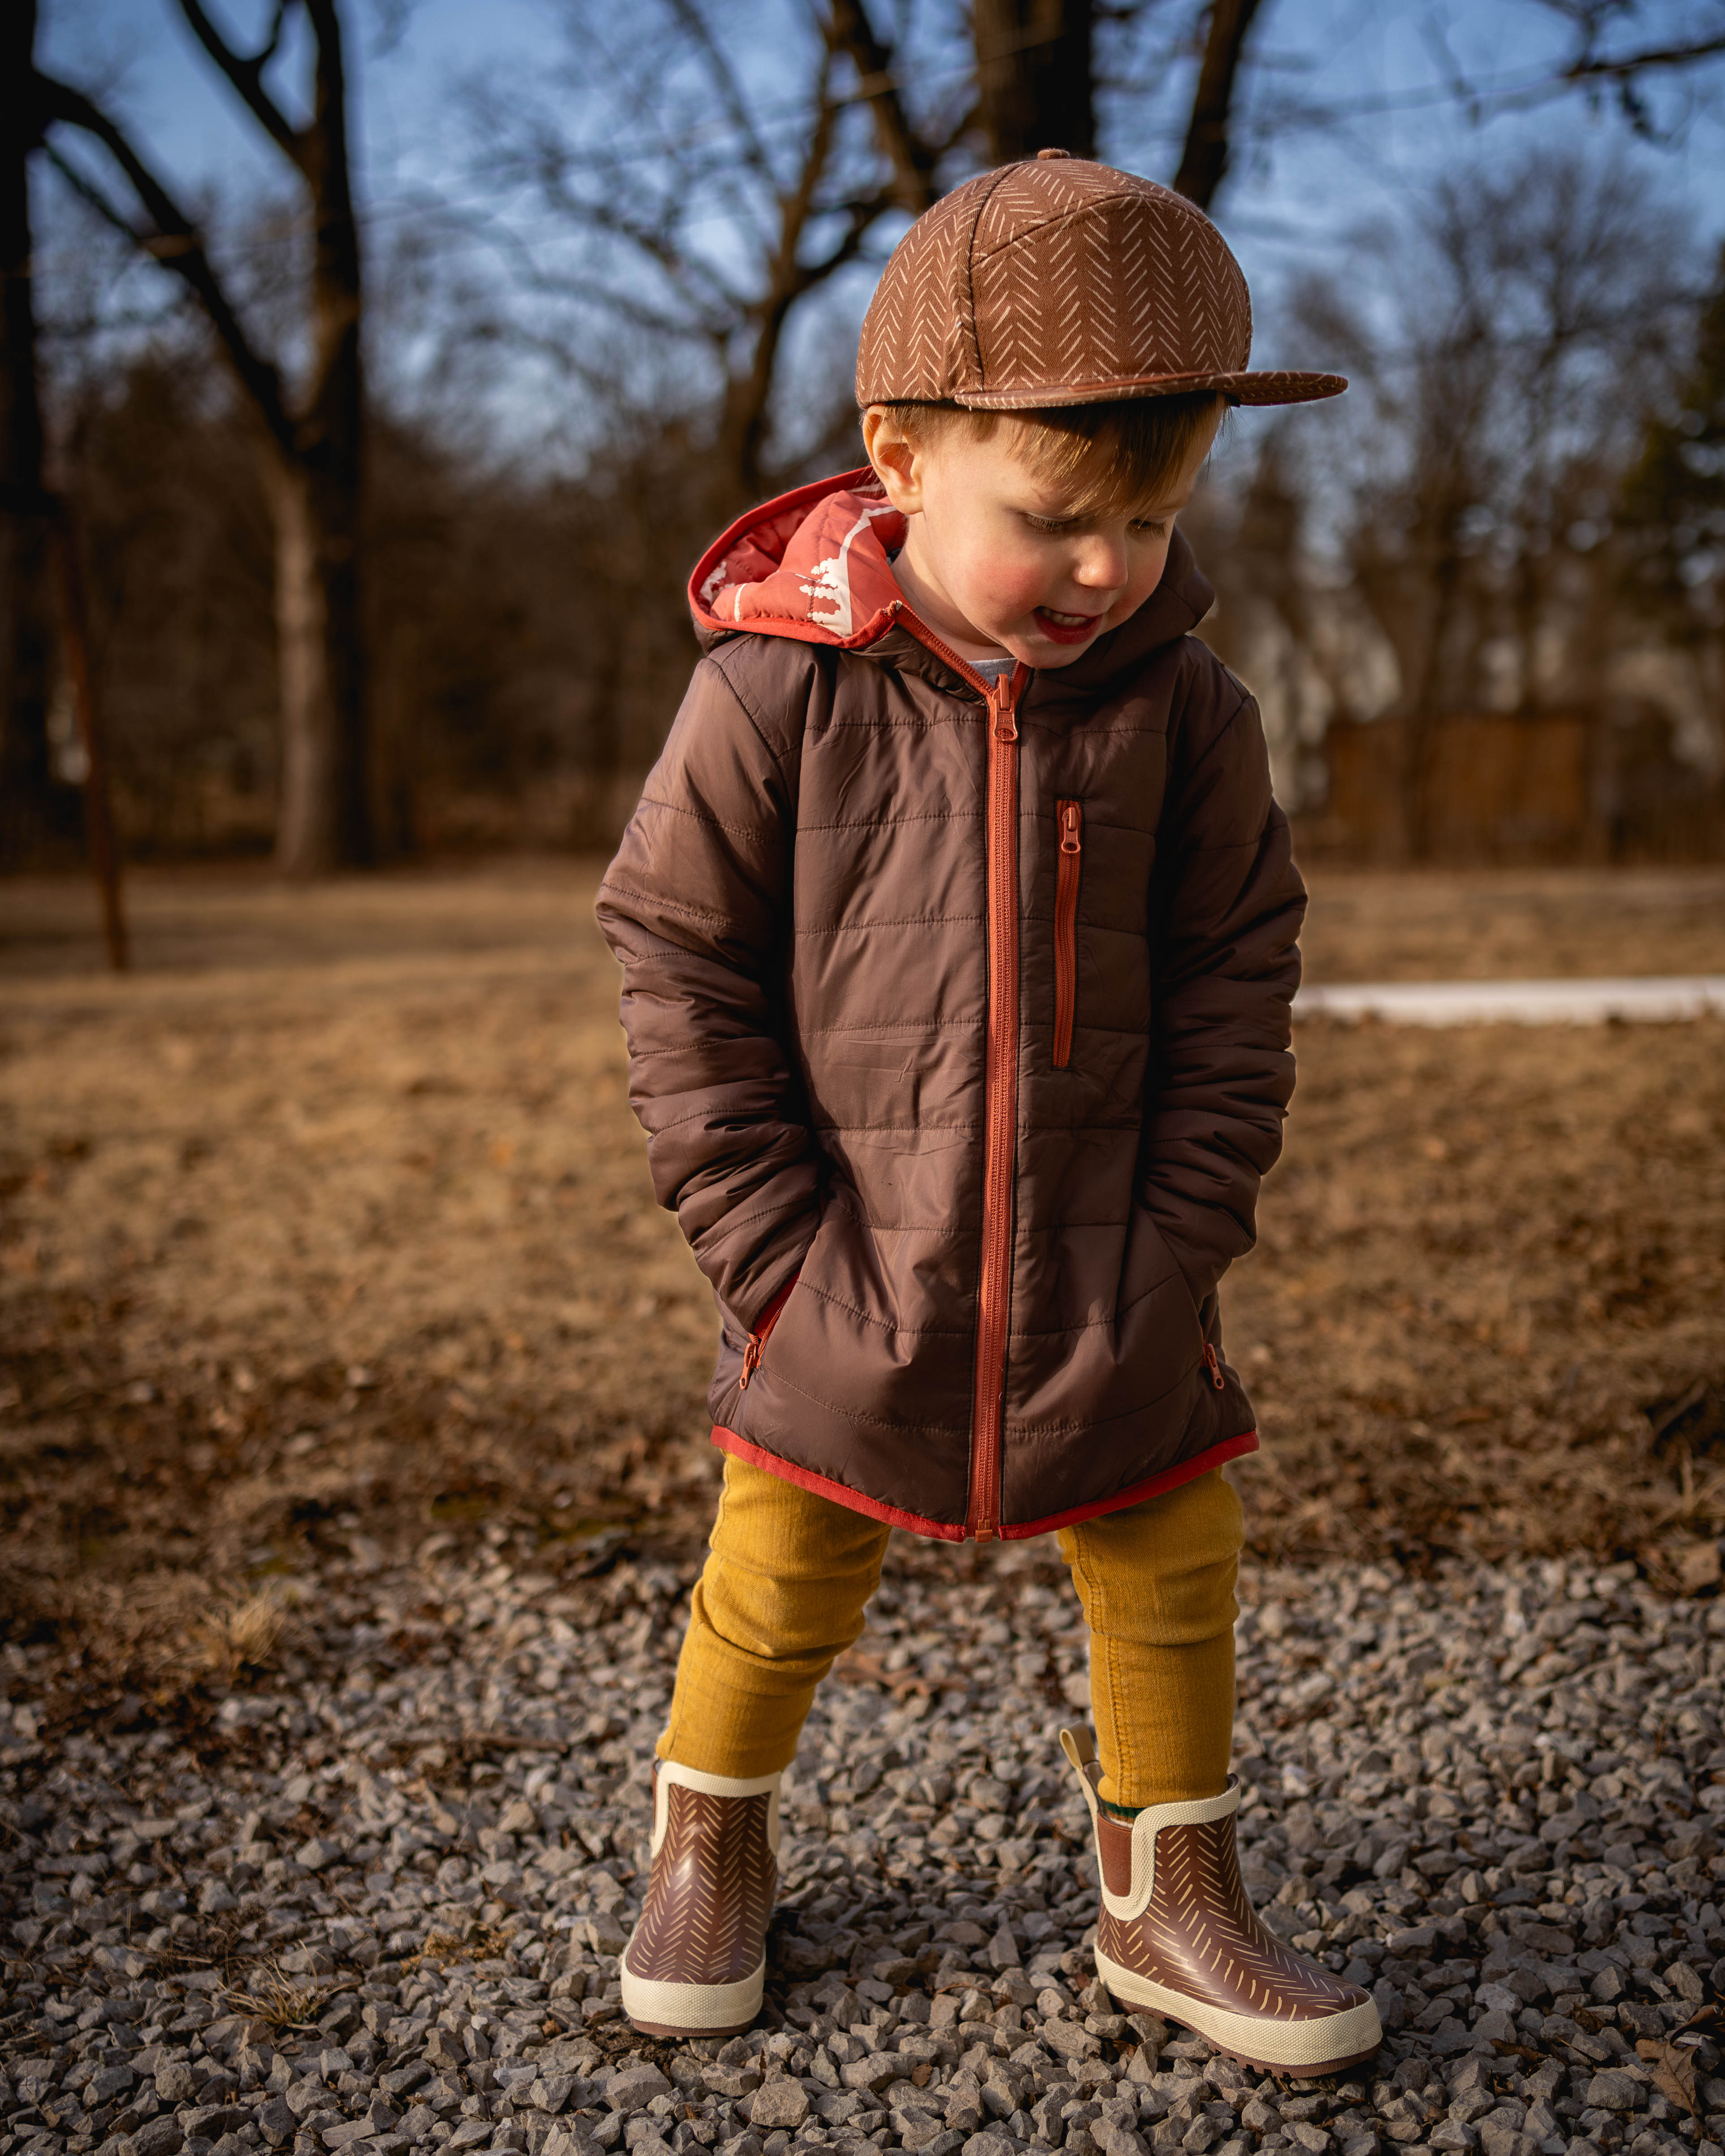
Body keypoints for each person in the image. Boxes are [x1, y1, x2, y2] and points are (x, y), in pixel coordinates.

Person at [595, 152, 1380, 2077]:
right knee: (773, 1576)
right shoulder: (770, 696)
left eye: (1154, 517)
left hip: (1114, 1264)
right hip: (845, 1275)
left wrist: (1181, 1231)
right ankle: (710, 1835)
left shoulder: (1184, 711)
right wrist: (774, 1258)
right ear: (898, 453)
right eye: (1055, 518)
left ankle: (1167, 1892)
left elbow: (1237, 972)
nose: (1108, 568)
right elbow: (675, 963)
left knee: (1171, 1566)